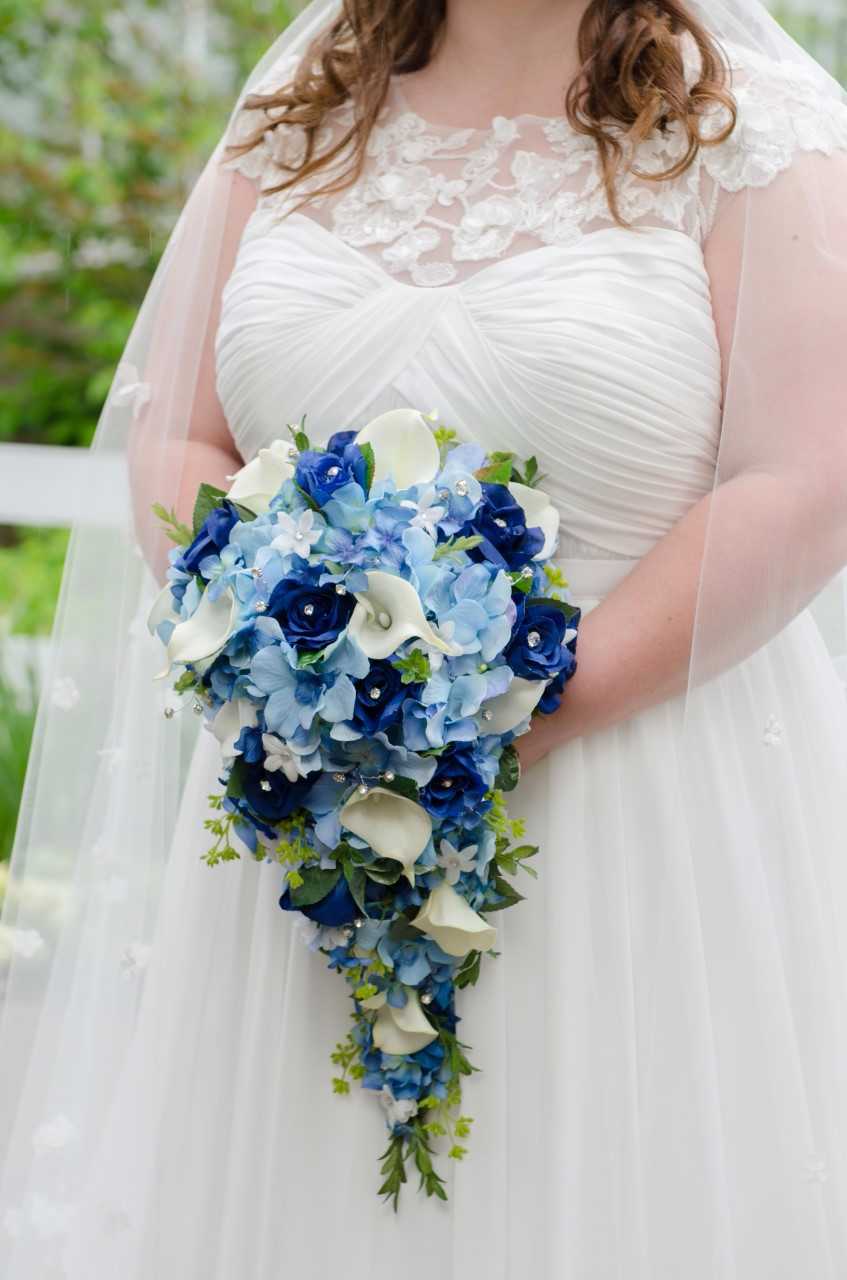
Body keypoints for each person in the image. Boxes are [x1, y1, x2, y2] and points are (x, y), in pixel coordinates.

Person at [3, 0, 847, 1275]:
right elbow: (175, 431)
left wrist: (499, 711)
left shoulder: (745, 125)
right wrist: (269, 648)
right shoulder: (308, 99)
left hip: (624, 799)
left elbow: (803, 478)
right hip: (310, 813)